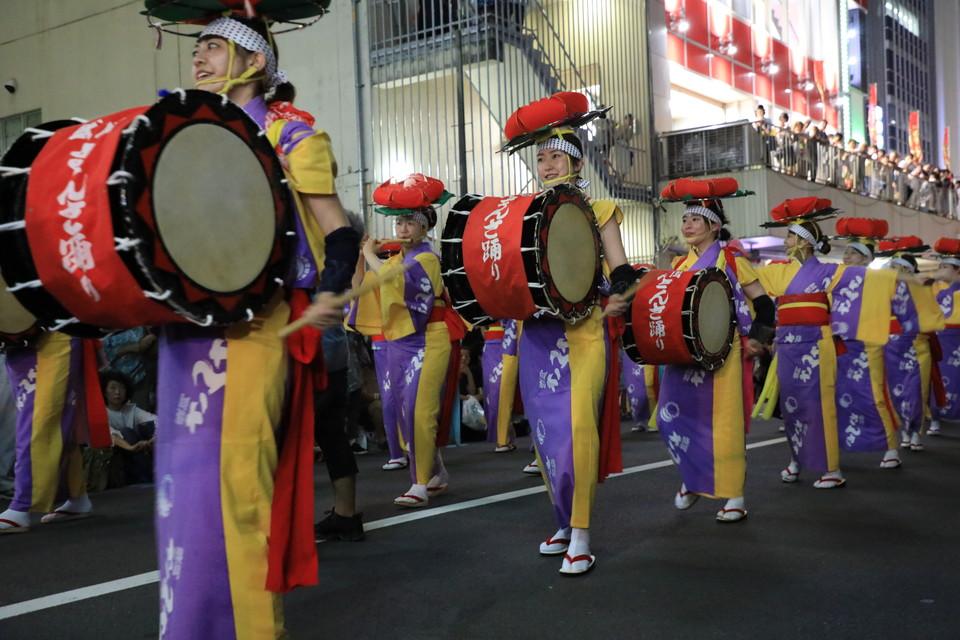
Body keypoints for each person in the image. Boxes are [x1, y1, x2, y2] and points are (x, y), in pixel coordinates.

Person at [153, 14, 359, 638]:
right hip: (186, 327)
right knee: (182, 493)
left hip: (260, 327)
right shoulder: (179, 130)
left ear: (255, 62)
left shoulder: (291, 134)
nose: (199, 59)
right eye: (197, 49)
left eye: (213, 47)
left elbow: (339, 232)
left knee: (238, 488)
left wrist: (328, 290)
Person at [501, 92, 633, 575]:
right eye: (541, 157)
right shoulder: (524, 213)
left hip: (584, 328)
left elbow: (620, 268)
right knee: (546, 435)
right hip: (539, 331)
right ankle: (561, 518)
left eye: (555, 155)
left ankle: (581, 531)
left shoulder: (600, 209)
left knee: (579, 427)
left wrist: (622, 292)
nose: (546, 164)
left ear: (576, 161)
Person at [756, 200, 899, 489]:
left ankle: (832, 468)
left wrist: (908, 281)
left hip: (815, 345)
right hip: (787, 346)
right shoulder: (778, 271)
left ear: (806, 242)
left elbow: (867, 285)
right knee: (792, 407)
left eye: (791, 236)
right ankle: (797, 459)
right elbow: (748, 281)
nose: (786, 241)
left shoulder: (829, 272)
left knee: (820, 406)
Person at [656, 179, 775, 522]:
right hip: (685, 354)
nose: (687, 225)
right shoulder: (678, 267)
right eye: (685, 220)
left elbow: (764, 305)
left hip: (725, 351)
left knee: (724, 425)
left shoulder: (732, 261)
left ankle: (734, 495)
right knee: (670, 416)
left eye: (695, 219)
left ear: (714, 226)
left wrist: (758, 338)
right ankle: (693, 479)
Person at [360, 173, 465, 508]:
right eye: (400, 223)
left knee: (421, 411)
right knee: (407, 410)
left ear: (424, 227)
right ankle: (435, 472)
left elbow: (397, 284)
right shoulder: (400, 258)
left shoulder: (426, 258)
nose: (403, 229)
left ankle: (418, 482)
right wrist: (367, 257)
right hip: (404, 340)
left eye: (410, 223)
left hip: (429, 338)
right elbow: (376, 282)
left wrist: (370, 256)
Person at [0, 334, 109, 533]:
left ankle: (21, 504)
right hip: (19, 339)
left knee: (39, 420)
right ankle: (76, 495)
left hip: (52, 333)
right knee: (56, 422)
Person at [831, 219, 902, 469]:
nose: (847, 256)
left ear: (865, 258)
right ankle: (844, 444)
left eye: (853, 252)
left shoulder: (878, 279)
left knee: (875, 395)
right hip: (841, 344)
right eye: (846, 251)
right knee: (842, 396)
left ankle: (892, 446)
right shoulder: (836, 279)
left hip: (868, 343)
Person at [879, 247, 944, 452]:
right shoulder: (885, 290)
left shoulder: (922, 289)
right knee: (895, 390)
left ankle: (916, 431)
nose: (895, 271)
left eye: (899, 268)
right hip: (891, 345)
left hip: (916, 344)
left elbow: (932, 315)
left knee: (917, 390)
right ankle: (905, 432)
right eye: (893, 267)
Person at [103, 369, 156, 485]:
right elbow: (109, 433)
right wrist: (130, 447)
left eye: (122, 388)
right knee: (127, 433)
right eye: (113, 388)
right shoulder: (101, 413)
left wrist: (153, 439)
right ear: (105, 391)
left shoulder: (131, 409)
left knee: (149, 427)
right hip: (116, 456)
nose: (117, 392)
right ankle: (145, 478)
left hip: (137, 450)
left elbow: (156, 420)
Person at [929, 238, 960, 434]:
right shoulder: (939, 293)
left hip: (957, 341)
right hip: (941, 341)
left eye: (945, 266)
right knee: (937, 380)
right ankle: (935, 417)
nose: (941, 270)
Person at [481, 320, 520, 452]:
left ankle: (537, 442)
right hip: (493, 338)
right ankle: (502, 436)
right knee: (495, 390)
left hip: (518, 331)